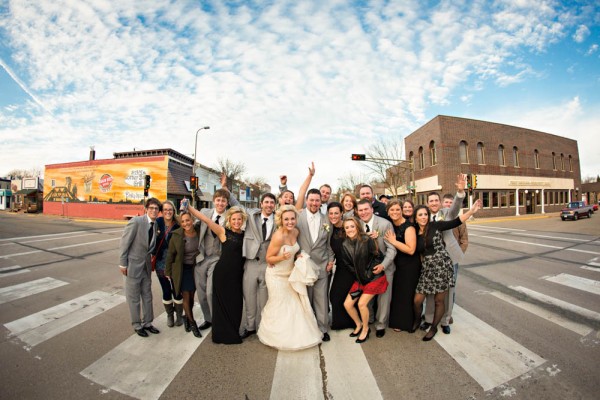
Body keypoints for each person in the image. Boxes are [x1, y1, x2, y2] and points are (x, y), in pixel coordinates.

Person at [412, 199, 482, 341]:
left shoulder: (435, 226)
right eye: (420, 215)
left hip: (442, 266)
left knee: (439, 300)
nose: (424, 217)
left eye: (425, 214)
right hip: (427, 269)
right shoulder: (414, 232)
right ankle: (417, 320)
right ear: (416, 218)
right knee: (417, 300)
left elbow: (456, 221)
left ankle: (433, 329)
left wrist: (471, 211)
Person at [258, 205, 323, 350]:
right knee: (280, 304)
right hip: (276, 275)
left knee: (294, 304)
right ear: (281, 220)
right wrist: (281, 257)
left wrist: (297, 256)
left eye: (292, 219)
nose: (290, 222)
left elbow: (295, 250)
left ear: (296, 219)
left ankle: (297, 335)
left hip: (290, 274)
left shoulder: (296, 231)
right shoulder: (278, 236)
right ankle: (277, 337)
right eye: (286, 219)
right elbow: (269, 258)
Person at [191, 205, 247, 344]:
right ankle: (221, 335)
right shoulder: (223, 232)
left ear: (242, 220)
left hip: (237, 276)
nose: (236, 222)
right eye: (234, 219)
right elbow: (206, 220)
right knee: (221, 305)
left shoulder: (247, 234)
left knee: (236, 304)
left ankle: (233, 331)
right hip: (222, 274)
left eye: (239, 219)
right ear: (229, 220)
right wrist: (189, 208)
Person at [421, 174, 467, 333]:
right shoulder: (424, 217)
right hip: (430, 261)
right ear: (427, 204)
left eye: (436, 200)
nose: (433, 203)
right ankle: (428, 319)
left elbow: (455, 208)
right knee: (430, 291)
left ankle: (445, 321)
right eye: (431, 201)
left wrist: (460, 192)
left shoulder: (447, 213)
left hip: (449, 259)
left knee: (448, 291)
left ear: (440, 203)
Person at [232, 193, 277, 339]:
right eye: (267, 202)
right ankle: (250, 327)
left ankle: (264, 328)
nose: (269, 205)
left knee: (265, 300)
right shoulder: (252, 216)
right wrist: (225, 187)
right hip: (251, 263)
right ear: (261, 204)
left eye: (272, 203)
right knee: (249, 298)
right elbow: (236, 204)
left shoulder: (278, 220)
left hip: (268, 265)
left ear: (275, 205)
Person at [192, 182, 232, 331]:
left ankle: (217, 319)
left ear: (227, 203)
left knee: (210, 291)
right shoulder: (205, 212)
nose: (220, 203)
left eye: (223, 200)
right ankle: (208, 319)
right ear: (214, 201)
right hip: (202, 258)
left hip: (218, 258)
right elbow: (193, 225)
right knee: (201, 293)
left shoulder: (230, 217)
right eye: (218, 200)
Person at [118, 197, 161, 337]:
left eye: (156, 209)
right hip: (133, 266)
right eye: (151, 208)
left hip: (146, 267)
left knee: (147, 296)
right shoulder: (136, 222)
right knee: (134, 298)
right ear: (146, 209)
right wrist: (123, 263)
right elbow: (125, 243)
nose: (154, 211)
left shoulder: (155, 225)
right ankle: (137, 325)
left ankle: (148, 322)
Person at [296, 187, 335, 341]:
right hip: (303, 265)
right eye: (311, 200)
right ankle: (307, 328)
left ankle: (323, 328)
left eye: (317, 200)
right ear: (307, 200)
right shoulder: (297, 217)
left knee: (321, 299)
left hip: (321, 265)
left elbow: (329, 244)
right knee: (306, 299)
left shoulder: (327, 219)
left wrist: (331, 260)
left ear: (321, 202)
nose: (314, 203)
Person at [341, 216, 387, 344]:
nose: (350, 229)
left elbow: (379, 257)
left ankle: (366, 330)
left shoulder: (367, 239)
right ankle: (359, 324)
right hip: (360, 279)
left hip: (374, 277)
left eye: (352, 226)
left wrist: (369, 274)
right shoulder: (344, 244)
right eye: (347, 227)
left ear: (357, 226)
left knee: (361, 304)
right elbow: (348, 265)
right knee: (347, 304)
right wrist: (360, 277)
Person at [356, 199, 396, 338]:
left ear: (372, 209)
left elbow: (392, 249)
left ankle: (381, 324)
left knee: (383, 298)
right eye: (360, 210)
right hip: (366, 269)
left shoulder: (385, 224)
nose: (363, 212)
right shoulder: (357, 225)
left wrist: (383, 265)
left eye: (366, 209)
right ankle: (370, 318)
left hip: (385, 267)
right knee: (368, 296)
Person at [384, 200, 421, 332]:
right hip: (397, 264)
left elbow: (411, 249)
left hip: (409, 264)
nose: (395, 212)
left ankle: (408, 322)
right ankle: (398, 321)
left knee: (406, 293)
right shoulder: (389, 225)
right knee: (398, 293)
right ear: (388, 211)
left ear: (402, 211)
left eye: (397, 210)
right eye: (392, 210)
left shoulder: (408, 227)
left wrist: (394, 241)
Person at [165, 211, 202, 337]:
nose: (186, 223)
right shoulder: (177, 235)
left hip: (195, 268)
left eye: (188, 220)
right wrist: (168, 272)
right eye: (183, 221)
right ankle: (192, 323)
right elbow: (170, 255)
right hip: (182, 269)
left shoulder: (198, 231)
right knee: (186, 295)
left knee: (192, 297)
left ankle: (186, 317)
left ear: (192, 220)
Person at [152, 200, 182, 327]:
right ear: (161, 212)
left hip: (174, 263)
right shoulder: (157, 223)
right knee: (166, 290)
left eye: (170, 210)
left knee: (177, 291)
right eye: (165, 210)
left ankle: (179, 316)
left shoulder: (178, 224)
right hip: (160, 263)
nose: (168, 212)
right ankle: (170, 315)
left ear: (173, 211)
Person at [327, 202, 355, 330]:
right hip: (340, 267)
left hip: (351, 267)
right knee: (334, 295)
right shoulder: (330, 228)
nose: (333, 216)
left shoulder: (347, 226)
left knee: (341, 296)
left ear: (342, 213)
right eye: (331, 213)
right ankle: (342, 322)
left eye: (336, 213)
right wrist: (331, 261)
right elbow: (330, 248)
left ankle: (350, 322)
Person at [445, 193, 469, 328]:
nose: (449, 205)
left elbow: (464, 241)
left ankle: (448, 315)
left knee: (451, 289)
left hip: (452, 261)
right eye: (447, 202)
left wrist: (456, 256)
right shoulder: (440, 219)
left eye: (451, 203)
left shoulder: (461, 221)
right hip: (438, 261)